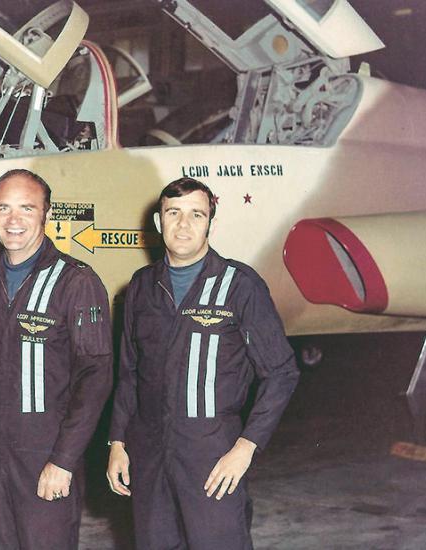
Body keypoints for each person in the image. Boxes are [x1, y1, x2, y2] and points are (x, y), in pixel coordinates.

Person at [106, 177, 299, 549]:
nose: (183, 225)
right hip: (148, 454)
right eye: (173, 213)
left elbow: (281, 373)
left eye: (197, 214)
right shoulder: (142, 286)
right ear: (158, 222)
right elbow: (129, 372)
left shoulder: (240, 285)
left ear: (211, 221)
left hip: (213, 455)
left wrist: (245, 448)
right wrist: (117, 442)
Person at [0, 169, 113, 550]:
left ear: (47, 215)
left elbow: (95, 377)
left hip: (45, 456)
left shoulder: (76, 281)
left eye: (26, 208)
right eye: (3, 208)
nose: (14, 220)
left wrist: (64, 460)